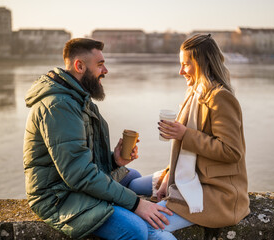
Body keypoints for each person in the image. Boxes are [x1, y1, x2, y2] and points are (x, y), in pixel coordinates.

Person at [23, 38, 172, 240]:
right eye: (100, 64)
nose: (106, 70)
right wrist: (137, 204)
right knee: (136, 229)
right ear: (80, 66)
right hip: (58, 197)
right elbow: (79, 174)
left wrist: (114, 160)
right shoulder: (59, 106)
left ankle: (168, 186)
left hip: (72, 184)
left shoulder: (78, 98)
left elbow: (79, 160)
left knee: (131, 174)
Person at [146, 34, 250, 239]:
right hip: (194, 178)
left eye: (186, 64)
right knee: (131, 184)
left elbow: (232, 152)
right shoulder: (194, 92)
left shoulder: (220, 98)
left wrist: (185, 134)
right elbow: (187, 153)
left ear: (202, 64)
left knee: (150, 226)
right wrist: (169, 176)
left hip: (218, 193)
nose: (180, 71)